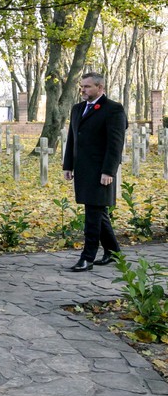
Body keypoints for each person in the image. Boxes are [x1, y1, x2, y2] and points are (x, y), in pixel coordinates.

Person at [62, 71, 126, 272]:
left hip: (101, 171)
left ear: (100, 87)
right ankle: (114, 252)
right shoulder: (77, 109)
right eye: (81, 86)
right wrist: (67, 165)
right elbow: (73, 138)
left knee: (93, 214)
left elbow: (115, 144)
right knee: (98, 212)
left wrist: (109, 171)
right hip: (82, 170)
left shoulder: (113, 109)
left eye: (87, 86)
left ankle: (87, 257)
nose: (83, 89)